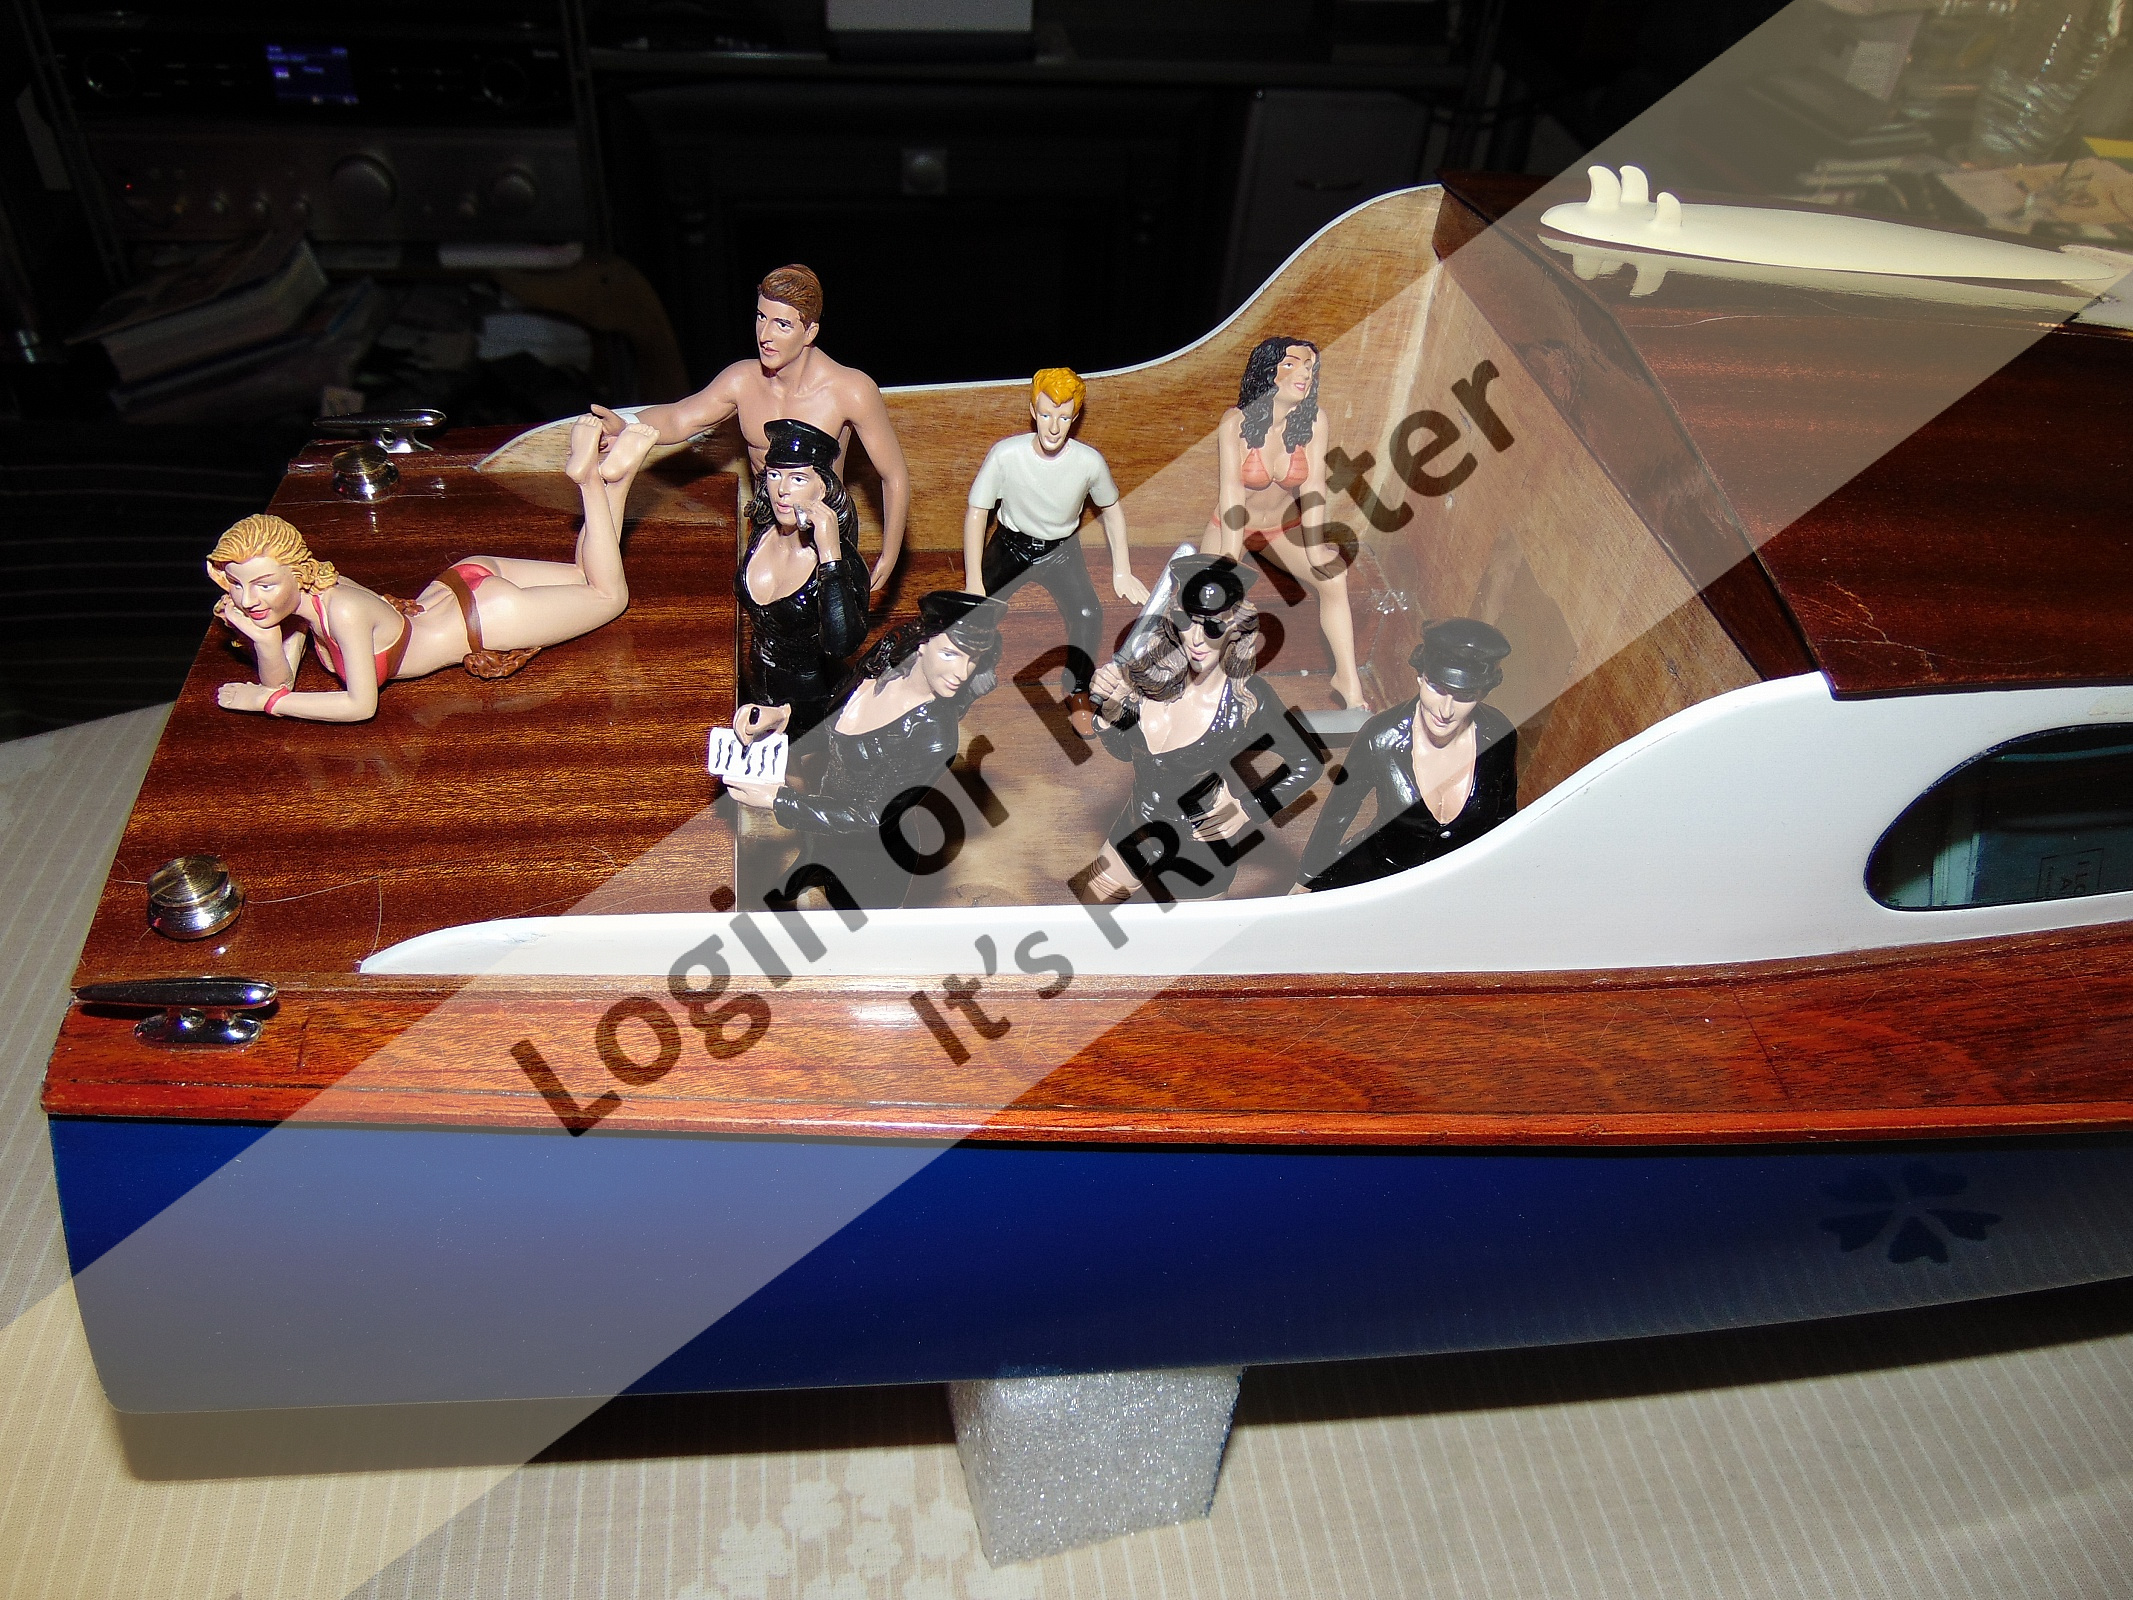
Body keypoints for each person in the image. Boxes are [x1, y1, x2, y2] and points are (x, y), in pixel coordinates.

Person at [208, 415, 655, 723]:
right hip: (464, 581)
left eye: (263, 584)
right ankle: (616, 476)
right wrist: (265, 642)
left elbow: (360, 705)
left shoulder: (341, 611)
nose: (249, 599)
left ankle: (588, 481)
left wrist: (269, 704)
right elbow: (280, 679)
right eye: (239, 586)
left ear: (295, 571)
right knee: (586, 575)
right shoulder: (307, 595)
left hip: (486, 617)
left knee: (608, 596)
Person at [589, 264, 911, 595]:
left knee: (819, 617)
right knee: (759, 604)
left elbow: (894, 475)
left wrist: (890, 554)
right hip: (767, 522)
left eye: (782, 324)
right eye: (761, 317)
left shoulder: (849, 390)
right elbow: (680, 418)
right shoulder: (742, 381)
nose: (765, 335)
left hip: (820, 530)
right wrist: (628, 425)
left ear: (810, 332)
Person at [726, 590, 1006, 910]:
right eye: (950, 653)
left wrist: (779, 800)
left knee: (851, 919)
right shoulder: (882, 663)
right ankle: (809, 868)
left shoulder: (935, 738)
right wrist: (783, 715)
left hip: (869, 861)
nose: (963, 672)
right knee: (811, 860)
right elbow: (833, 712)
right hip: (821, 814)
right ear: (924, 643)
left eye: (973, 659)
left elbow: (872, 814)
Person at [1084, 554, 1323, 903]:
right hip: (1136, 825)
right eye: (1186, 621)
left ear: (1236, 628)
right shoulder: (1149, 675)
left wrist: (1247, 808)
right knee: (1092, 904)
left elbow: (1307, 761)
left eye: (1212, 626)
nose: (1196, 639)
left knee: (1193, 933)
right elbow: (1125, 751)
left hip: (1199, 846)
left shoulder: (1247, 700)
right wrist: (1110, 712)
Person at [964, 367, 1148, 730]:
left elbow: (1111, 510)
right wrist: (973, 579)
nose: (1053, 427)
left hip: (1061, 550)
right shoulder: (1006, 454)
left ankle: (1078, 689)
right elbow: (977, 512)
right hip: (1010, 545)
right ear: (1033, 411)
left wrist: (1122, 570)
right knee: (977, 607)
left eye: (1063, 418)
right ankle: (978, 666)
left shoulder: (1088, 462)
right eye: (1046, 415)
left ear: (1074, 418)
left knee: (1088, 613)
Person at [1200, 335, 1367, 711]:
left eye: (1309, 366)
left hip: (1279, 529)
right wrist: (1229, 555)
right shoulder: (1236, 423)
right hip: (1232, 527)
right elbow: (1232, 492)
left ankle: (1348, 682)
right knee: (1212, 596)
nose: (1303, 374)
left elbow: (1313, 487)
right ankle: (1207, 688)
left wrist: (1316, 550)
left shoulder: (1314, 422)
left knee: (1334, 577)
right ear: (1267, 372)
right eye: (1291, 364)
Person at [1298, 618, 1517, 892]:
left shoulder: (1499, 736)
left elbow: (1505, 818)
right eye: (1437, 688)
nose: (1446, 710)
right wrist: (1307, 878)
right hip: (1379, 873)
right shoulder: (1379, 737)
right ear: (1420, 677)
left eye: (1465, 696)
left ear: (1483, 693)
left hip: (1455, 884)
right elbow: (1338, 813)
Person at [732, 418, 871, 744]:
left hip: (810, 702)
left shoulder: (844, 565)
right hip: (755, 681)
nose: (782, 490)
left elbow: (842, 645)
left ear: (822, 488)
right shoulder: (762, 532)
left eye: (797, 478)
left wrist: (830, 556)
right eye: (774, 475)